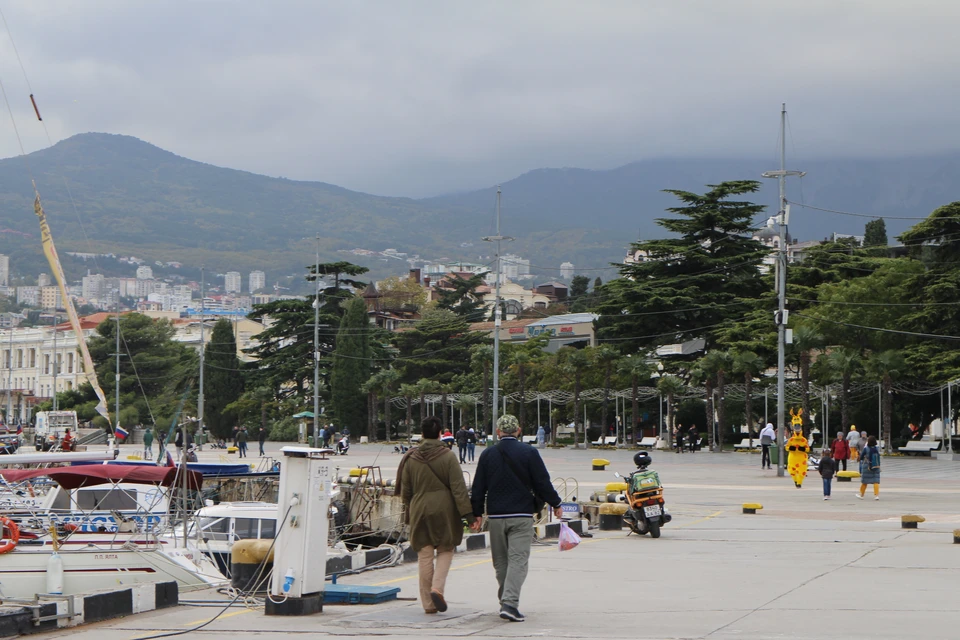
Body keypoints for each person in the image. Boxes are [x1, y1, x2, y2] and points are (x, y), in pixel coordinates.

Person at [470, 414, 563, 623]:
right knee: (518, 560)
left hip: (495, 516)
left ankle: (506, 602)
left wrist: (475, 513)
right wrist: (556, 503)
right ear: (518, 431)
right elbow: (542, 482)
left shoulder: (487, 455)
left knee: (501, 561)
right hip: (521, 515)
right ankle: (510, 604)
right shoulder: (529, 452)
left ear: (498, 432)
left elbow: (478, 487)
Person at [397, 416, 474, 615]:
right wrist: (469, 516)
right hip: (445, 508)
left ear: (421, 434)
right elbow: (458, 489)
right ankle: (437, 589)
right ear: (441, 433)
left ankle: (428, 604)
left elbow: (405, 492)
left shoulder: (410, 457)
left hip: (419, 508)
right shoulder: (448, 456)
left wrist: (411, 509)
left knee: (424, 553)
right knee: (446, 549)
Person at [857, 435, 881, 500]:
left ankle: (861, 494)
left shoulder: (866, 448)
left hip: (867, 466)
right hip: (876, 466)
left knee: (864, 481)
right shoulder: (877, 448)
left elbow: (861, 457)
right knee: (876, 481)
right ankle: (876, 495)